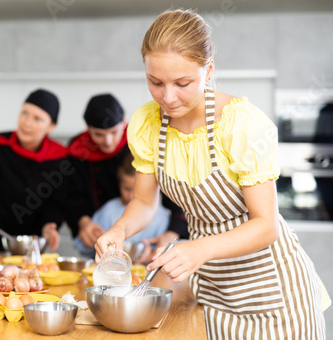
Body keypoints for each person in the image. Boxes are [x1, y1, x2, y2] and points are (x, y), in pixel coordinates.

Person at [95, 9, 327, 338]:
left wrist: (199, 248)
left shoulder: (241, 125)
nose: (168, 97)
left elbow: (266, 226)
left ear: (209, 70)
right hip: (215, 287)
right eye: (155, 82)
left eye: (183, 83)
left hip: (275, 296)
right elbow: (145, 202)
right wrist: (119, 230)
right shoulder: (148, 124)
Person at [66, 93, 187, 251]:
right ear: (88, 129)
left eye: (114, 132)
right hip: (101, 226)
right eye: (99, 135)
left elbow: (175, 191)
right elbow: (73, 195)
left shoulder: (142, 141)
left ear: (124, 122)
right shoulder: (77, 150)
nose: (108, 141)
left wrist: (173, 232)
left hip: (147, 228)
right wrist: (84, 223)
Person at [0, 89, 68, 258]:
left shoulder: (59, 160)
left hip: (28, 247)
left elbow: (55, 205)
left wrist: (49, 226)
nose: (27, 123)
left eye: (37, 119)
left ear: (51, 127)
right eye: (24, 113)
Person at [73, 154, 170, 260]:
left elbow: (169, 247)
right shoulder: (108, 211)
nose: (133, 195)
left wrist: (154, 252)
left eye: (137, 189)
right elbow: (83, 247)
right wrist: (93, 240)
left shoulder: (161, 216)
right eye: (127, 189)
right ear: (119, 184)